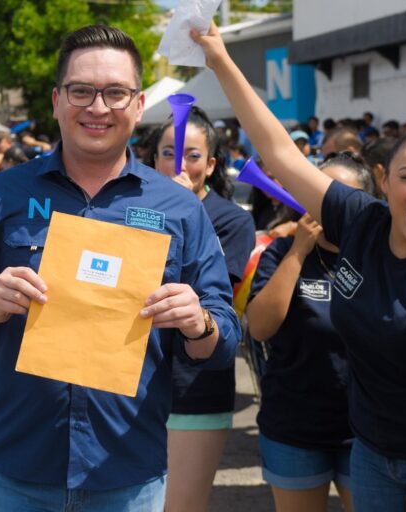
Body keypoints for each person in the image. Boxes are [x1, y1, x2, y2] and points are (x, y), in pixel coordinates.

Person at [0, 25, 240, 511]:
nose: (98, 107)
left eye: (115, 93)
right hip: (15, 471)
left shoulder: (179, 207)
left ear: (137, 102)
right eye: (81, 91)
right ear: (57, 99)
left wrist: (199, 321)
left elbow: (224, 334)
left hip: (127, 473)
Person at [195, 21, 406, 511]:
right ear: (385, 183)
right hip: (374, 451)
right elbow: (277, 151)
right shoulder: (359, 219)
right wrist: (220, 59)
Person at [247, 153, 374, 512]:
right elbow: (259, 326)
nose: (328, 207)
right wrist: (299, 252)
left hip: (367, 431)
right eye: (318, 194)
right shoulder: (284, 251)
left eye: (340, 198)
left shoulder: (378, 255)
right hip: (293, 427)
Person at [146, 105, 255, 512]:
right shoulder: (129, 210)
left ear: (210, 165)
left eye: (192, 155)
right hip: (128, 382)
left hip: (194, 386)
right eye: (167, 153)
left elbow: (215, 298)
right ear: (153, 160)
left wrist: (179, 211)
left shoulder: (231, 221)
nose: (179, 164)